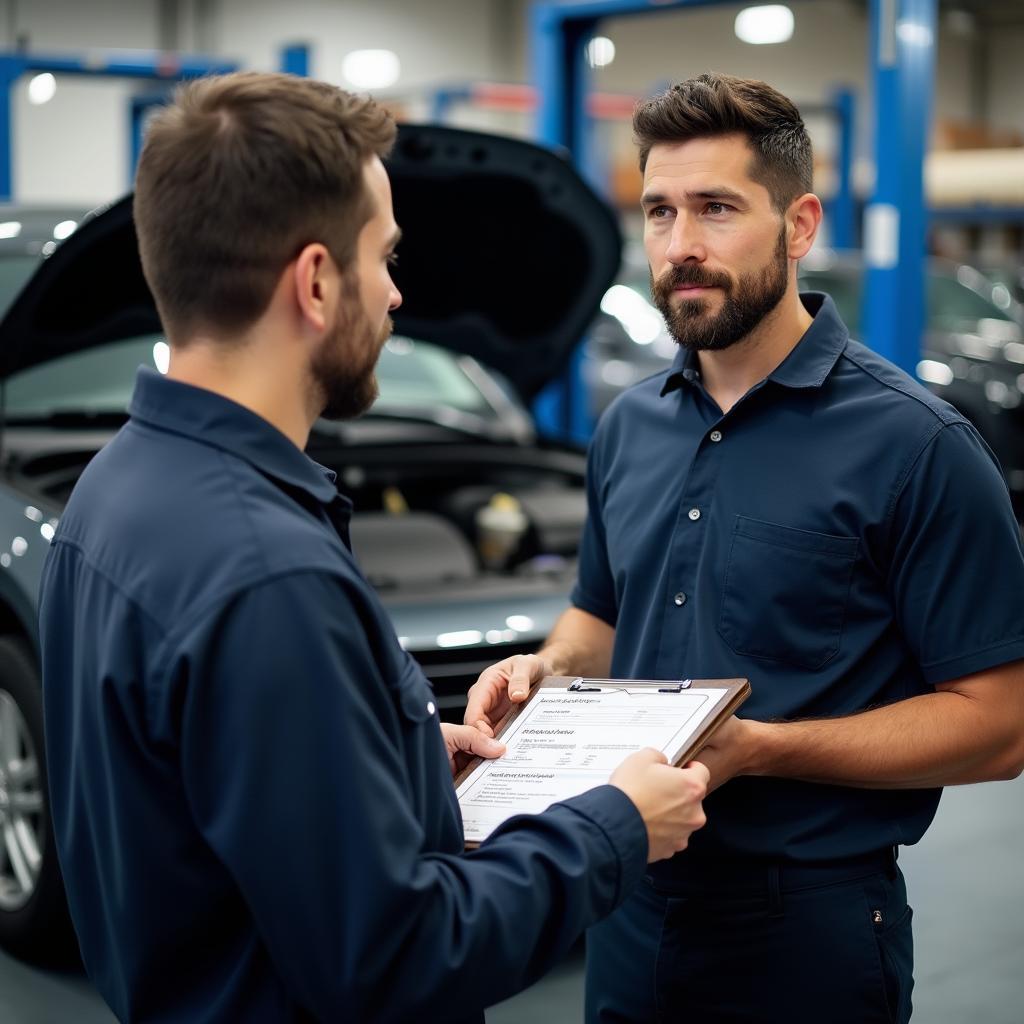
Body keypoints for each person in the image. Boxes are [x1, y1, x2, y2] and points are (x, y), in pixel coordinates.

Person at [37, 72, 711, 1024]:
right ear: (315, 281)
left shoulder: (115, 491)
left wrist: (380, 757)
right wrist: (614, 829)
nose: (397, 294)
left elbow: (188, 797)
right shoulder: (267, 576)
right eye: (384, 257)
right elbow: (398, 956)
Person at [465, 73, 1024, 1024]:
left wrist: (758, 751)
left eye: (717, 209)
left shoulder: (917, 446)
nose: (681, 247)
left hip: (806, 929)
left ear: (799, 225)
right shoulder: (628, 428)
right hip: (627, 902)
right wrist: (544, 670)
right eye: (659, 212)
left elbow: (1001, 724)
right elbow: (599, 617)